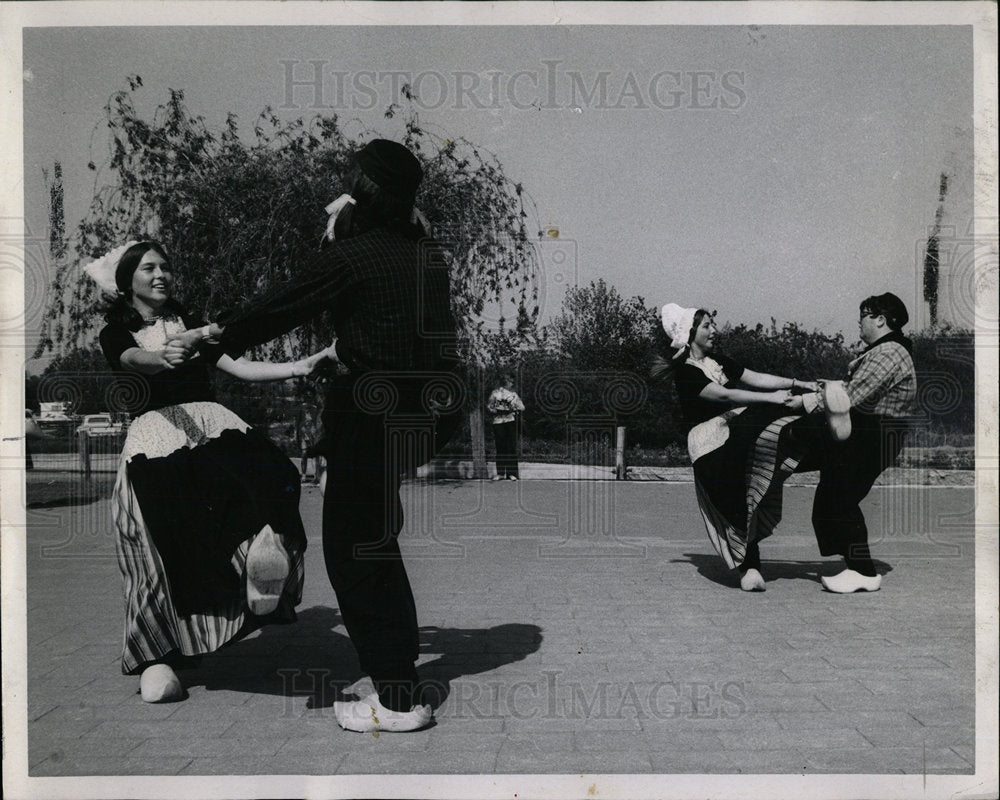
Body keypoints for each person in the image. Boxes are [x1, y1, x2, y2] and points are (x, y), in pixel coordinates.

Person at [206, 140, 462, 732]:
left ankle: (398, 699)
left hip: (374, 411)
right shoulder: (426, 254)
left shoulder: (353, 254)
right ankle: (392, 671)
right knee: (375, 533)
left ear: (364, 193)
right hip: (429, 408)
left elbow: (282, 304)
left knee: (355, 545)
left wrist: (216, 337)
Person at [87, 240, 330, 703]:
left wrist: (302, 365)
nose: (161, 274)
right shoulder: (114, 332)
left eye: (166, 266)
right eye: (149, 268)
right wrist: (159, 359)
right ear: (127, 283)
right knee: (153, 543)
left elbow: (240, 368)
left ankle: (258, 573)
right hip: (156, 441)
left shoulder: (191, 325)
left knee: (270, 475)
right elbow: (131, 360)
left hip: (214, 429)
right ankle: (154, 659)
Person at [657, 303, 817, 591]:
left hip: (732, 430)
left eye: (712, 324)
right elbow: (724, 395)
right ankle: (749, 569)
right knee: (734, 501)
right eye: (707, 325)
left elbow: (755, 378)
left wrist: (800, 383)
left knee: (750, 489)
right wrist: (775, 399)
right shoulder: (685, 371)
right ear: (690, 332)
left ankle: (818, 427)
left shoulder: (717, 360)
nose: (714, 330)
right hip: (709, 443)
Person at [786, 292, 917, 593]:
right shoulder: (884, 351)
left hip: (874, 434)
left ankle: (863, 572)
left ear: (880, 319)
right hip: (869, 433)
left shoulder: (889, 352)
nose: (859, 323)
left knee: (841, 496)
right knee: (836, 493)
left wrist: (804, 401)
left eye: (864, 316)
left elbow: (851, 395)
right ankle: (856, 567)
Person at [487, 374, 525, 480]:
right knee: (500, 447)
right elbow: (489, 406)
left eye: (512, 382)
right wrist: (495, 409)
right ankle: (500, 473)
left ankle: (512, 473)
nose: (512, 384)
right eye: (510, 381)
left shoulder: (513, 395)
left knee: (511, 447)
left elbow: (522, 407)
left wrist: (514, 408)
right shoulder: (495, 393)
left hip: (510, 421)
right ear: (505, 382)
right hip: (498, 421)